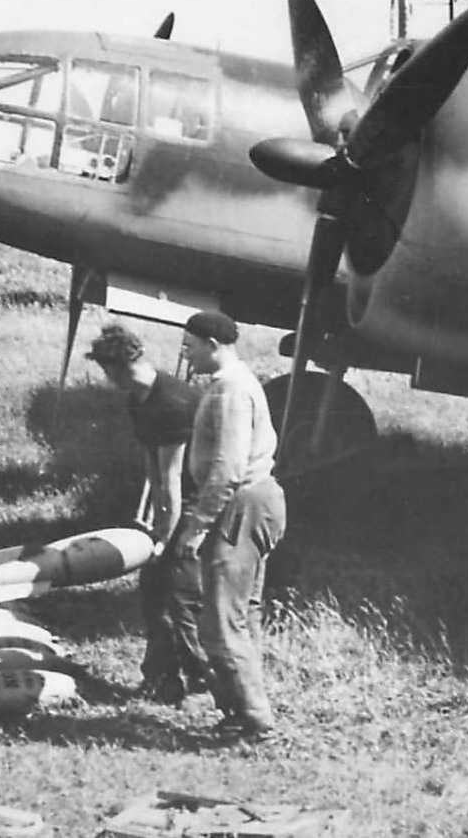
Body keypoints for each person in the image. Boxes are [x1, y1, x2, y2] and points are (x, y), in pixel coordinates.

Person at [175, 311, 286, 740]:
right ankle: (242, 711)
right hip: (251, 502)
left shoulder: (229, 391)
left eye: (190, 345)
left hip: (240, 505)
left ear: (212, 345)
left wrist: (198, 525)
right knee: (240, 615)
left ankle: (256, 721)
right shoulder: (233, 384)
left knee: (222, 620)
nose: (185, 352)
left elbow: (227, 467)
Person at [85, 323, 207, 703]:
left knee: (182, 596)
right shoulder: (139, 400)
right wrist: (149, 521)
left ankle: (205, 681)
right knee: (153, 592)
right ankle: (162, 680)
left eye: (108, 373)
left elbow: (172, 479)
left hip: (197, 502)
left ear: (117, 368)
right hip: (173, 503)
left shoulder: (172, 403)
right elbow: (152, 469)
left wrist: (163, 538)